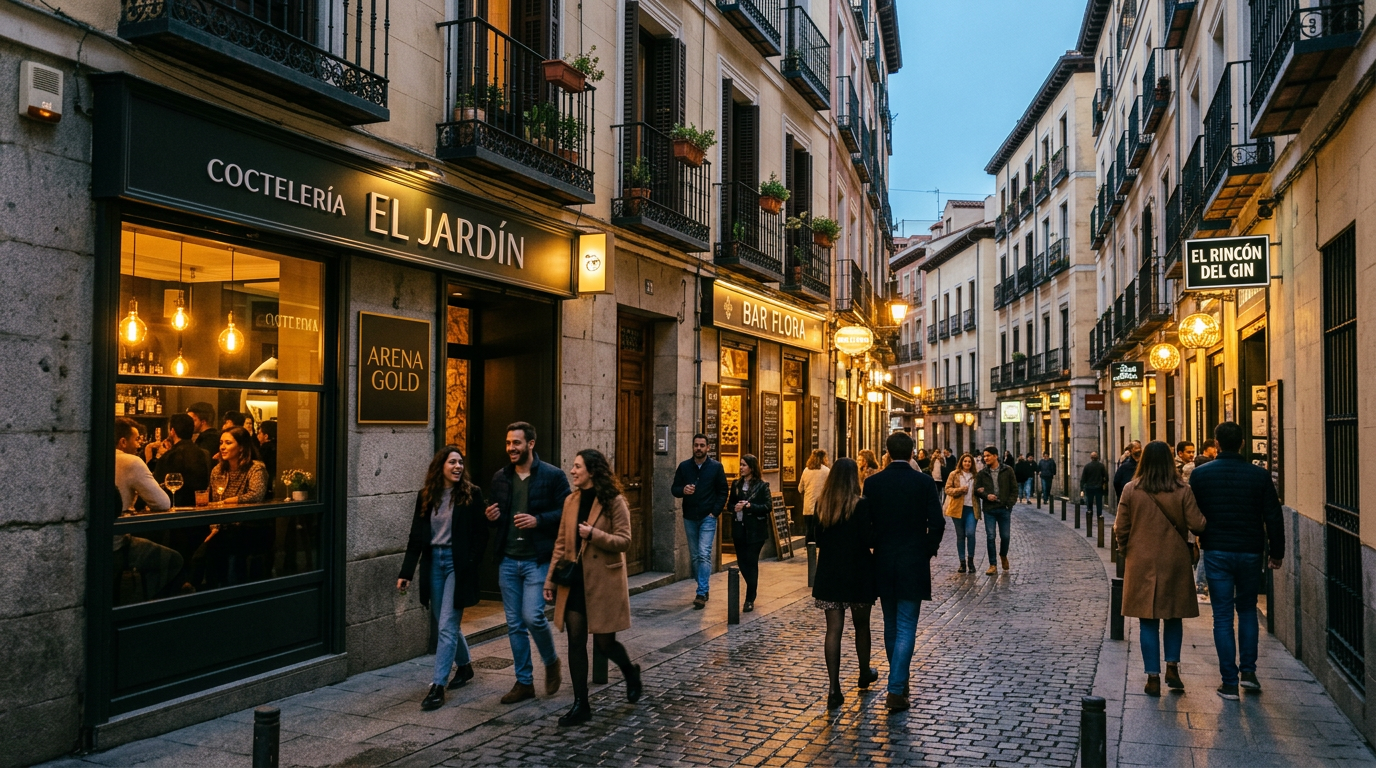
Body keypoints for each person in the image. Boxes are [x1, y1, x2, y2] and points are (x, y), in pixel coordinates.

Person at [543, 449, 642, 726]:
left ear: (591, 471)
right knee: (575, 641)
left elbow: (625, 541)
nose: (572, 471)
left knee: (604, 643)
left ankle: (630, 672)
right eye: (573, 467)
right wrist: (550, 580)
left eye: (577, 467)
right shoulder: (570, 501)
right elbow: (561, 543)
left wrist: (593, 534)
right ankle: (580, 703)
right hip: (575, 580)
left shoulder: (614, 501)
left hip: (603, 582)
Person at [1188, 421, 1285, 700]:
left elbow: (1194, 514)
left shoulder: (1201, 475)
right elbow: (1273, 515)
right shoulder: (1259, 475)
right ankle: (1249, 673)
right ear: (1242, 443)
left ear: (1216, 444)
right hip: (1250, 551)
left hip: (1216, 550)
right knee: (1247, 610)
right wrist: (1276, 552)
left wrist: (1199, 536)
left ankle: (1229, 682)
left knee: (1221, 616)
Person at [397, 446, 489, 711]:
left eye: (461, 462)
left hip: (457, 567)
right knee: (444, 621)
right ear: (441, 467)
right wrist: (406, 572)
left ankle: (437, 686)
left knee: (447, 625)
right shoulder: (426, 496)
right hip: (433, 564)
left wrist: (470, 564)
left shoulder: (472, 495)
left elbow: (481, 535)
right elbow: (416, 537)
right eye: (452, 462)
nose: (458, 466)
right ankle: (465, 666)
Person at [1115, 441, 1207, 697]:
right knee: (1173, 616)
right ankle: (1173, 667)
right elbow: (1198, 524)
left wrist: (1126, 550)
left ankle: (1152, 676)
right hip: (1175, 559)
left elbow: (1120, 528)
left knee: (1147, 620)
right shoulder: (1182, 490)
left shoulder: (1131, 489)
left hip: (1141, 560)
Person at [486, 422, 569, 704]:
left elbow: (567, 512)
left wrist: (538, 520)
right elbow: (496, 510)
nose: (511, 448)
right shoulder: (500, 477)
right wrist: (491, 515)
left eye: (517, 443)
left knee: (532, 616)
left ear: (531, 444)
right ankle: (524, 683)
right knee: (513, 623)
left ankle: (551, 660)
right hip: (508, 559)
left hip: (537, 559)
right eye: (508, 443)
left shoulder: (553, 476)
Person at [863, 432, 944, 712]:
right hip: (913, 561)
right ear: (912, 453)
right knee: (907, 625)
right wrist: (927, 550)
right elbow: (937, 522)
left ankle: (899, 679)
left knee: (890, 624)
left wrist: (876, 544)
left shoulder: (873, 483)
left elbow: (867, 523)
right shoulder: (923, 482)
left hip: (884, 560)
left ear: (886, 452)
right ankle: (896, 688)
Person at [810, 458, 877, 709]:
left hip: (830, 573)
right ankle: (863, 672)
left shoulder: (821, 505)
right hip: (858, 572)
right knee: (862, 626)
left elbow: (817, 539)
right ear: (853, 479)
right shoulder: (861, 505)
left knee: (833, 630)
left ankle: (834, 688)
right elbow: (869, 538)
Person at [670, 434, 728, 610]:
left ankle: (701, 592)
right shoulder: (684, 467)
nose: (699, 448)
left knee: (704, 553)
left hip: (707, 517)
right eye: (696, 445)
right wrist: (683, 490)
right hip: (689, 517)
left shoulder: (716, 467)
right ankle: (702, 583)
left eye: (702, 445)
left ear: (708, 448)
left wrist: (714, 513)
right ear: (693, 446)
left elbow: (723, 491)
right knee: (695, 556)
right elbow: (674, 489)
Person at [727, 454, 772, 612]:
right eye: (740, 464)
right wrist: (735, 507)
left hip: (755, 531)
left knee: (751, 562)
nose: (741, 468)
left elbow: (767, 506)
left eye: (744, 465)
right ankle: (751, 586)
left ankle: (749, 598)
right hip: (739, 528)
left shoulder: (762, 485)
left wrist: (749, 506)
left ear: (752, 467)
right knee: (741, 562)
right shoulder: (736, 484)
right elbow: (729, 505)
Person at [145, 413, 211, 506]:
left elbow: (156, 487)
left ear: (172, 431)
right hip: (198, 508)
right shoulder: (203, 453)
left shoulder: (169, 456)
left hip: (173, 509)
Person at [975, 447, 1018, 575]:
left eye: (988, 456)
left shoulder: (1007, 470)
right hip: (989, 510)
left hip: (1004, 509)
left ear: (995, 456)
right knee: (991, 536)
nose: (985, 458)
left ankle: (1003, 555)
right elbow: (977, 489)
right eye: (984, 456)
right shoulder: (982, 473)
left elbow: (1014, 489)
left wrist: (1009, 504)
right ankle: (992, 564)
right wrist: (986, 496)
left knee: (1005, 536)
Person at [115, 417, 170, 513]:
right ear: (123, 442)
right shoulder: (132, 462)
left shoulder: (99, 458)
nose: (139, 445)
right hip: (121, 524)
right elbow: (162, 503)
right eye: (136, 440)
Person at [943, 453, 981, 573]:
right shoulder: (954, 474)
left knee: (970, 533)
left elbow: (981, 490)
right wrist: (959, 490)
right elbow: (947, 489)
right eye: (965, 461)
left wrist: (981, 490)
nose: (967, 463)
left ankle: (971, 561)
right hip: (958, 509)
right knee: (960, 536)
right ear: (961, 462)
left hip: (971, 508)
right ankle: (962, 563)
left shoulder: (976, 476)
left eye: (969, 462)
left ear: (972, 463)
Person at [798, 449, 830, 541]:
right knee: (820, 530)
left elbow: (800, 488)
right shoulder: (826, 471)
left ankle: (809, 550)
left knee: (809, 530)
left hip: (808, 506)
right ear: (823, 458)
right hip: (821, 506)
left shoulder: (806, 471)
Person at [1080, 451, 1109, 518]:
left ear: (1091, 458)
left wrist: (1082, 488)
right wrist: (1103, 483)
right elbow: (1106, 477)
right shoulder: (1101, 466)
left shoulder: (1087, 466)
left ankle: (1090, 514)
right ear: (1097, 457)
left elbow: (1083, 478)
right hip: (1098, 487)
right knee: (1099, 502)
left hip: (1089, 487)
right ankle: (1099, 515)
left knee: (1089, 502)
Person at [257, 420, 278, 499]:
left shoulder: (264, 449)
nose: (257, 436)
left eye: (259, 433)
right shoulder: (280, 447)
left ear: (266, 436)